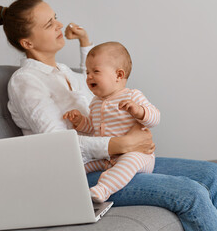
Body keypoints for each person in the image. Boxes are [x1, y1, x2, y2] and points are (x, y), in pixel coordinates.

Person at [0, 0, 217, 231]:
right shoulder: (26, 81)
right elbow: (57, 144)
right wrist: (122, 143)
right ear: (27, 43)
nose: (59, 25)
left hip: (119, 159)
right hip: (79, 174)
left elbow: (95, 85)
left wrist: (85, 42)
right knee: (190, 193)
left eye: (56, 17)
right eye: (49, 23)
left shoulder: (63, 72)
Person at [63, 42, 160, 203]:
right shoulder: (95, 102)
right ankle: (66, 187)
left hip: (138, 154)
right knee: (80, 165)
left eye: (96, 71)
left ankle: (103, 189)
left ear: (119, 75)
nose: (89, 76)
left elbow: (155, 117)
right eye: (87, 72)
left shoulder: (132, 96)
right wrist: (80, 121)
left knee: (129, 161)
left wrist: (139, 111)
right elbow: (92, 127)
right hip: (107, 157)